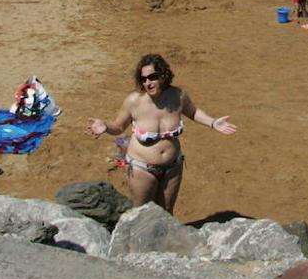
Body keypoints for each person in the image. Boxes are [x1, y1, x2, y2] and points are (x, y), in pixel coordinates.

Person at [87, 54, 235, 213]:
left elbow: (193, 112)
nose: (148, 83)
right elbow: (118, 126)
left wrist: (213, 122)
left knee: (166, 212)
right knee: (141, 213)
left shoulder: (178, 96)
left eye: (152, 77)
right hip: (141, 168)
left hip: (173, 167)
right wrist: (105, 126)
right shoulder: (134, 101)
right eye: (143, 79)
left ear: (163, 75)